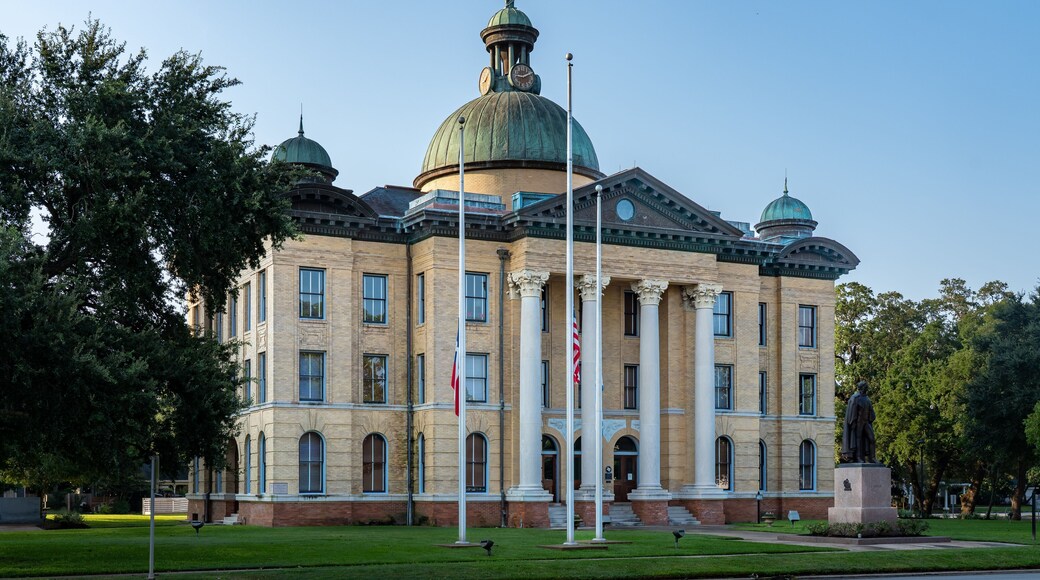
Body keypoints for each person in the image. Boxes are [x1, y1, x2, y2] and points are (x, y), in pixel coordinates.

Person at [841, 380, 876, 463]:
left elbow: (871, 410)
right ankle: (858, 457)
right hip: (858, 422)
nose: (867, 388)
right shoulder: (855, 398)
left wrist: (871, 416)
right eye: (865, 387)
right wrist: (852, 423)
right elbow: (852, 411)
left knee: (872, 439)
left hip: (866, 422)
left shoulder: (867, 398)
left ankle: (872, 458)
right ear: (862, 388)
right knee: (858, 440)